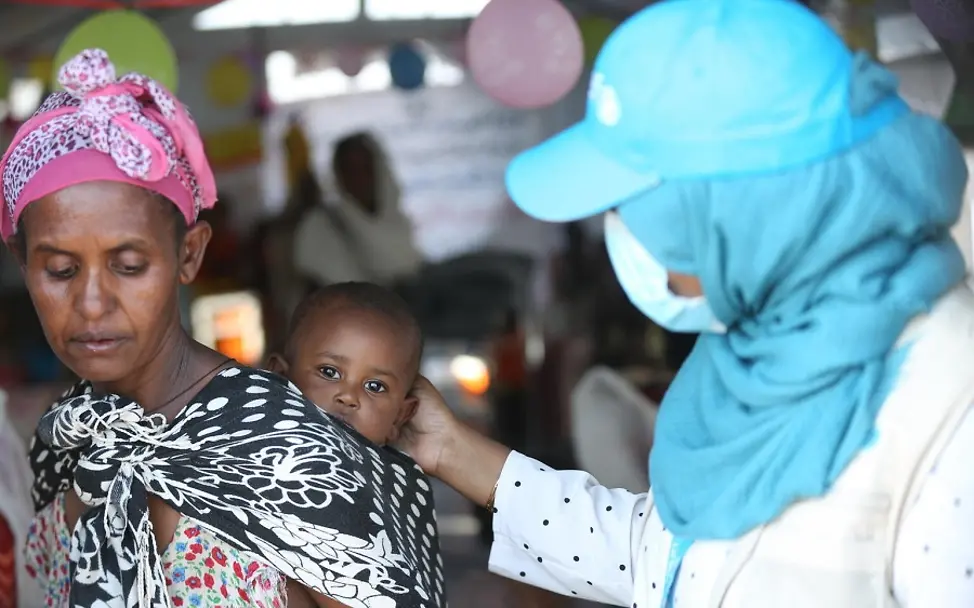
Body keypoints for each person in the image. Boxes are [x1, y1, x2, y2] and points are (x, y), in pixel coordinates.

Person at [394, 1, 974, 607]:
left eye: (632, 204)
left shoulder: (950, 402)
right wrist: (451, 448)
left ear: (733, 211)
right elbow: (666, 558)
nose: (619, 232)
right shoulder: (751, 356)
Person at [3, 49, 445, 608]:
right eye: (60, 270)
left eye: (129, 266)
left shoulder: (285, 447)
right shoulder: (65, 437)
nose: (92, 304)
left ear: (189, 254)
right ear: (23, 264)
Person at [267, 282, 421, 446]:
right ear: (280, 375)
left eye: (375, 386)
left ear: (399, 417)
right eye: (329, 372)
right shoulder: (251, 435)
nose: (349, 397)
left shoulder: (398, 465)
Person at [293, 132, 422, 288]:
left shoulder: (398, 222)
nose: (359, 179)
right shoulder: (320, 226)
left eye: (365, 169)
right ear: (339, 175)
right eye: (350, 171)